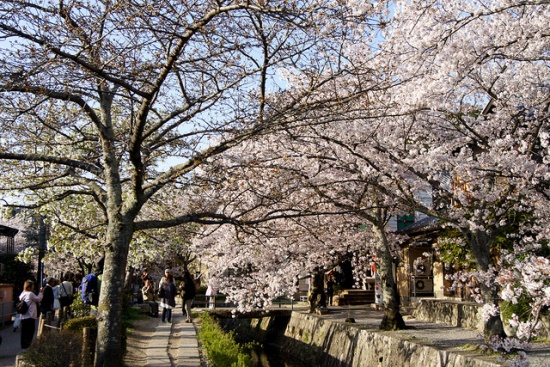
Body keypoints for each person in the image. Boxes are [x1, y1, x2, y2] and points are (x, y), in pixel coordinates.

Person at [19, 280, 43, 349]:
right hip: (30, 315)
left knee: (24, 332)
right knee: (30, 331)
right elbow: (38, 299)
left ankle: (23, 346)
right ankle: (28, 345)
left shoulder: (22, 294)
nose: (33, 287)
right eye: (32, 286)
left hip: (23, 316)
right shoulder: (30, 294)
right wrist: (41, 293)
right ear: (29, 287)